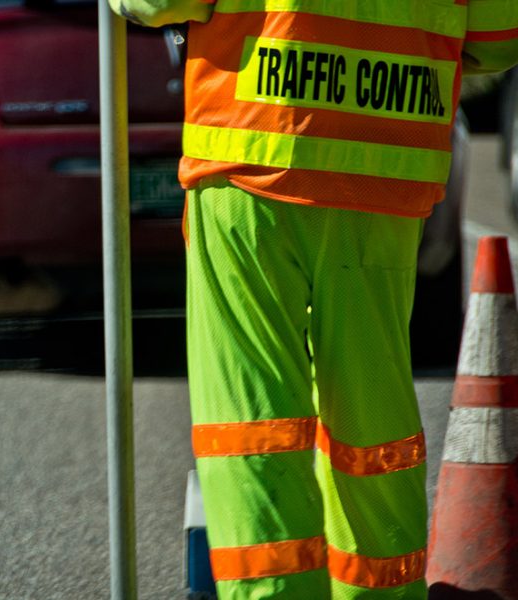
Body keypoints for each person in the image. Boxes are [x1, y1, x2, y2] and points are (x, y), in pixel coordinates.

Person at [106, 1, 518, 598]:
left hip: (255, 152)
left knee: (254, 416)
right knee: (372, 419)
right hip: (386, 164)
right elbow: (499, 35)